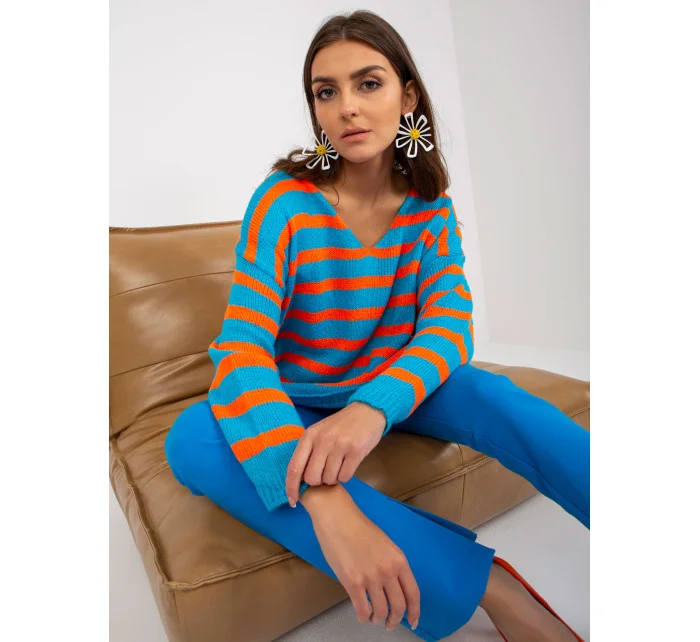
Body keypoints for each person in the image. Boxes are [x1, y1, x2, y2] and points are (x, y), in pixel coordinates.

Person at [164, 9, 589, 641]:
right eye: (326, 92)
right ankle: (491, 587)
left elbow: (449, 325)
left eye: (368, 83)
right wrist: (325, 500)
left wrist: (370, 409)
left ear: (407, 96)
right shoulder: (283, 200)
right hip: (300, 401)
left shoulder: (429, 206)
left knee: (494, 393)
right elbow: (242, 350)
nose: (347, 108)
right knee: (191, 437)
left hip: (392, 386)